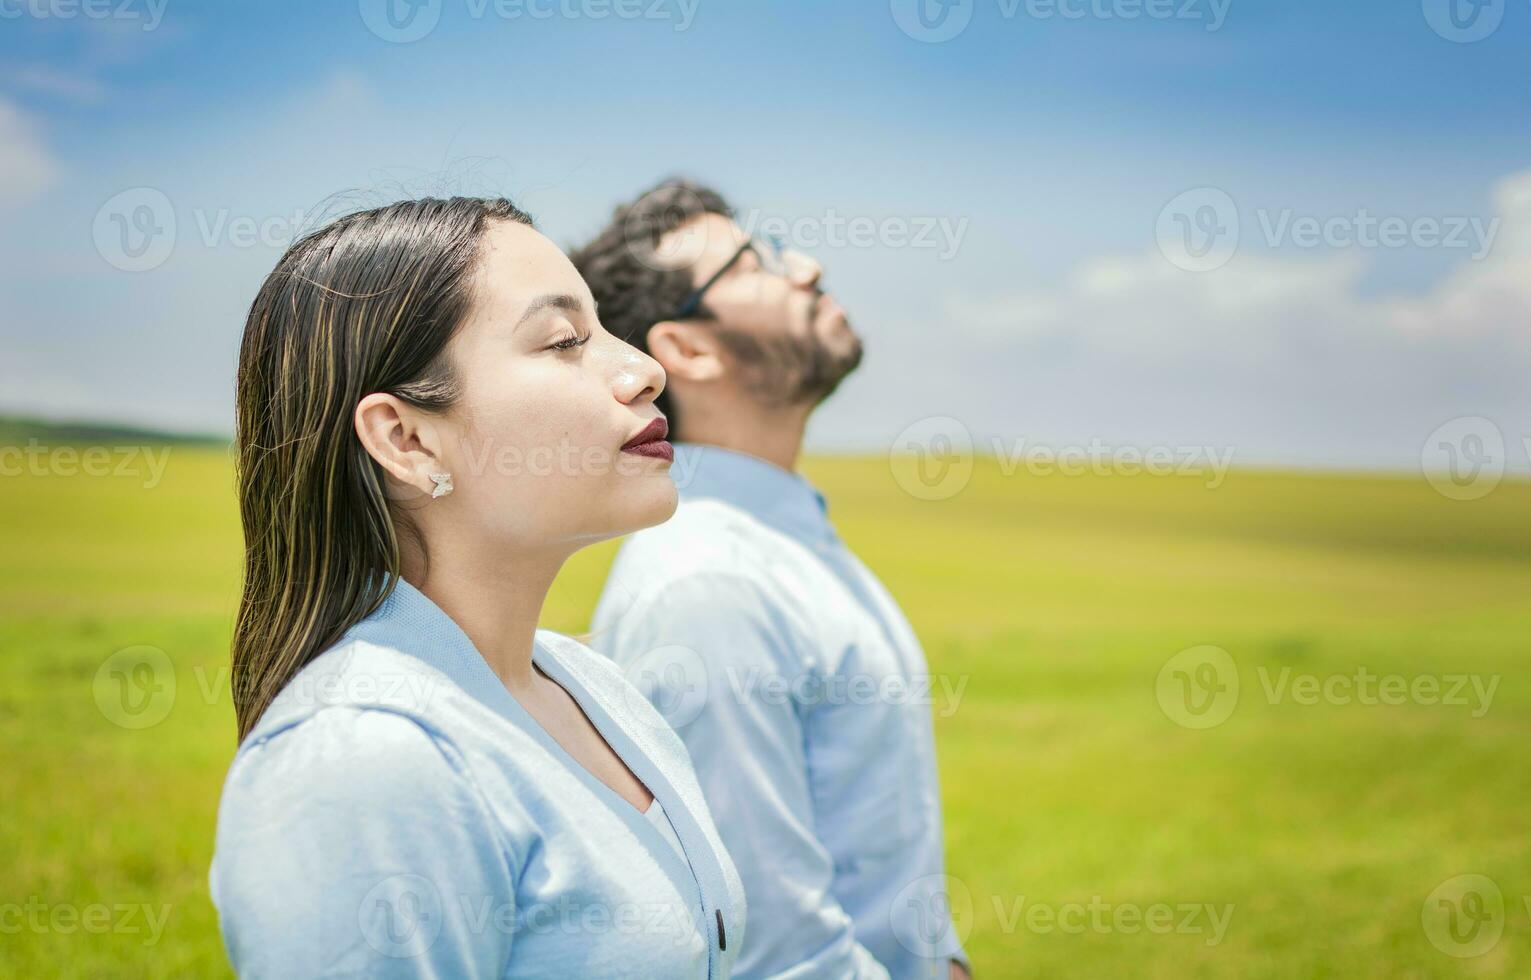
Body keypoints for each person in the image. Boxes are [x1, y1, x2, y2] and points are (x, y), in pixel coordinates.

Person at [210, 196, 744, 978]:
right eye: (564, 341)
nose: (643, 369)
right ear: (407, 438)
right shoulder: (362, 760)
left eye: (598, 329)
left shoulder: (596, 688)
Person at [573, 180, 970, 980]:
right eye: (756, 264)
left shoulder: (775, 540)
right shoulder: (707, 581)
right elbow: (773, 953)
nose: (808, 268)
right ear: (686, 350)